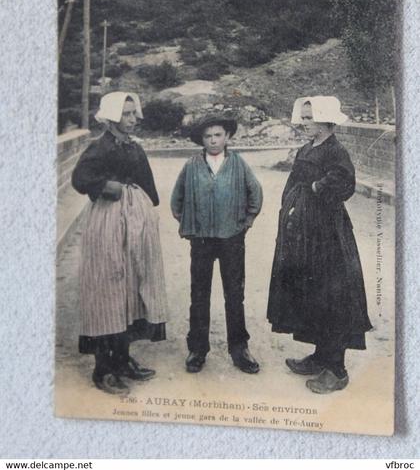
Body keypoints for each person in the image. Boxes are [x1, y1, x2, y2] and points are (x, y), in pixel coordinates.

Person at [267, 96, 372, 394]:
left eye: (310, 117)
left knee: (332, 297)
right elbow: (294, 181)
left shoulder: (336, 151)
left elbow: (345, 183)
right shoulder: (307, 147)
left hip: (327, 236)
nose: (304, 122)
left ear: (326, 120)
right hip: (303, 233)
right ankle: (319, 357)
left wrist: (317, 187)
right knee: (310, 293)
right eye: (304, 117)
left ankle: (337, 370)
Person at [71, 91, 168, 395]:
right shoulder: (99, 148)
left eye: (133, 113)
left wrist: (146, 210)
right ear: (112, 116)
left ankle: (123, 360)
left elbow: (150, 188)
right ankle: (103, 370)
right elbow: (79, 179)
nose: (133, 119)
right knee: (108, 290)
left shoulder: (136, 149)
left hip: (135, 222)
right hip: (108, 221)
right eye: (126, 114)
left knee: (133, 288)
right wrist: (105, 187)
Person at [171, 113, 263, 374]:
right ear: (201, 140)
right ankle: (197, 349)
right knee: (199, 295)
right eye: (208, 136)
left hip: (231, 239)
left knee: (234, 294)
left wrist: (246, 221)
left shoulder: (238, 164)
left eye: (218, 135)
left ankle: (240, 349)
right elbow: (177, 200)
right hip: (201, 240)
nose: (213, 140)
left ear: (228, 137)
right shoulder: (191, 165)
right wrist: (191, 222)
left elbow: (255, 193)